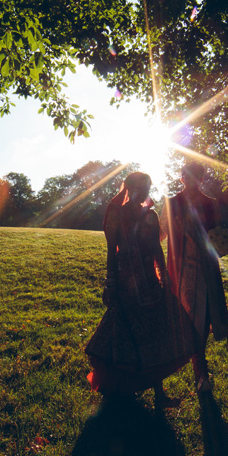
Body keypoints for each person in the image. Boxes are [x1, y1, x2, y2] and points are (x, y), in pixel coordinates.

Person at [85, 172, 195, 409]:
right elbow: (111, 251)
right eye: (141, 187)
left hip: (150, 282)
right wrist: (111, 283)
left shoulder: (151, 215)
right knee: (127, 335)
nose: (144, 192)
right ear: (129, 188)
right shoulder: (116, 214)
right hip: (125, 283)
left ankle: (159, 394)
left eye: (147, 187)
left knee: (156, 334)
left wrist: (165, 278)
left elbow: (157, 249)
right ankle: (121, 387)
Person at [164, 162, 228, 392]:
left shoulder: (210, 204)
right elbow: (161, 233)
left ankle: (200, 369)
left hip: (205, 268)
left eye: (197, 177)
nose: (192, 181)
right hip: (180, 267)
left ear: (202, 179)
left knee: (203, 315)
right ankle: (186, 363)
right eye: (188, 176)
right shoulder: (172, 203)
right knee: (184, 314)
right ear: (181, 177)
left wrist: (222, 244)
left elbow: (215, 234)